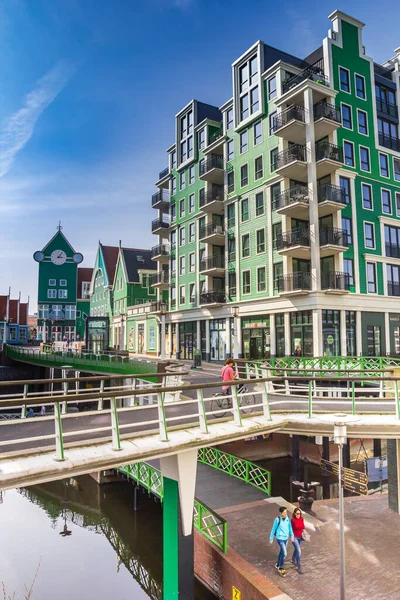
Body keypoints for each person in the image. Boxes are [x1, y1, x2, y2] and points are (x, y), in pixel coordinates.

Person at [269, 506, 294, 577]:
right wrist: (271, 539)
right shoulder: (277, 520)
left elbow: (290, 528)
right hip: (280, 538)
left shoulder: (287, 519)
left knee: (282, 552)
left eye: (286, 512)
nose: (285, 513)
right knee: (285, 553)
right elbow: (273, 529)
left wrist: (292, 536)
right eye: (284, 512)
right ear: (280, 513)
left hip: (286, 538)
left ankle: (277, 564)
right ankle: (281, 567)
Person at [291, 507, 306, 574]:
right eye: (297, 514)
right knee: (299, 551)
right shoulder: (293, 520)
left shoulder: (302, 519)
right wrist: (291, 537)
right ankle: (299, 567)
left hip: (300, 537)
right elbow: (290, 529)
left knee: (296, 549)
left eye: (299, 514)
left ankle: (293, 559)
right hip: (294, 537)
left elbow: (303, 527)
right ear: (294, 514)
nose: (298, 515)